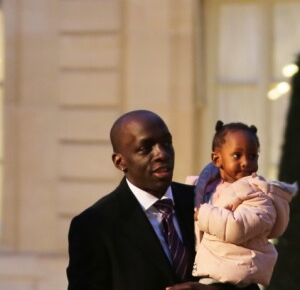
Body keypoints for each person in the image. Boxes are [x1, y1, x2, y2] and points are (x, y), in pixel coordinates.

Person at [67, 110, 206, 290]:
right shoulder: (95, 226)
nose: (161, 154)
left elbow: (247, 279)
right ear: (120, 162)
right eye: (145, 148)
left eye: (167, 143)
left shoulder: (203, 201)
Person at [185, 120, 298, 289]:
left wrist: (202, 214)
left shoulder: (260, 196)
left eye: (252, 156)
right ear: (217, 159)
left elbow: (237, 227)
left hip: (239, 277)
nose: (246, 162)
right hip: (210, 272)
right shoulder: (202, 189)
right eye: (237, 155)